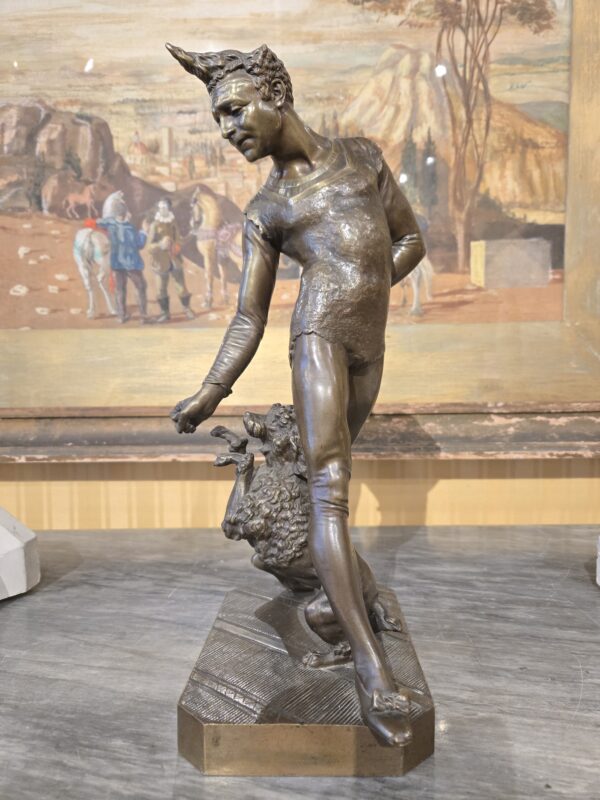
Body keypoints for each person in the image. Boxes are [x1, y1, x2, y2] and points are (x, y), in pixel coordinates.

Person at [167, 42, 425, 747]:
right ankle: (372, 671)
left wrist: (362, 290)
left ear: (275, 95)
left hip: (366, 345)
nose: (227, 130)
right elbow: (248, 316)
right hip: (318, 341)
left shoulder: (363, 158)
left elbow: (409, 241)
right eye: (218, 118)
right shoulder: (268, 207)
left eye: (234, 110)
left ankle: (318, 599)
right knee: (330, 490)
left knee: (322, 483)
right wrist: (212, 390)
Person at [88, 191, 149, 324]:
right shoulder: (130, 229)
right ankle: (143, 316)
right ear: (124, 214)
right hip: (132, 264)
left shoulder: (110, 224)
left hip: (116, 264)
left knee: (120, 290)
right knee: (141, 287)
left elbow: (97, 222)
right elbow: (140, 244)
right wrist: (144, 231)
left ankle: (121, 316)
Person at [147, 197, 195, 322]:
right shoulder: (154, 225)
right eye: (161, 207)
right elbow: (149, 247)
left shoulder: (173, 223)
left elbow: (178, 239)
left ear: (169, 208)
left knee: (181, 286)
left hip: (174, 260)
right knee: (161, 288)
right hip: (160, 262)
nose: (163, 209)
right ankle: (165, 313)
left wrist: (177, 245)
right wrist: (160, 245)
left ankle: (187, 309)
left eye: (165, 207)